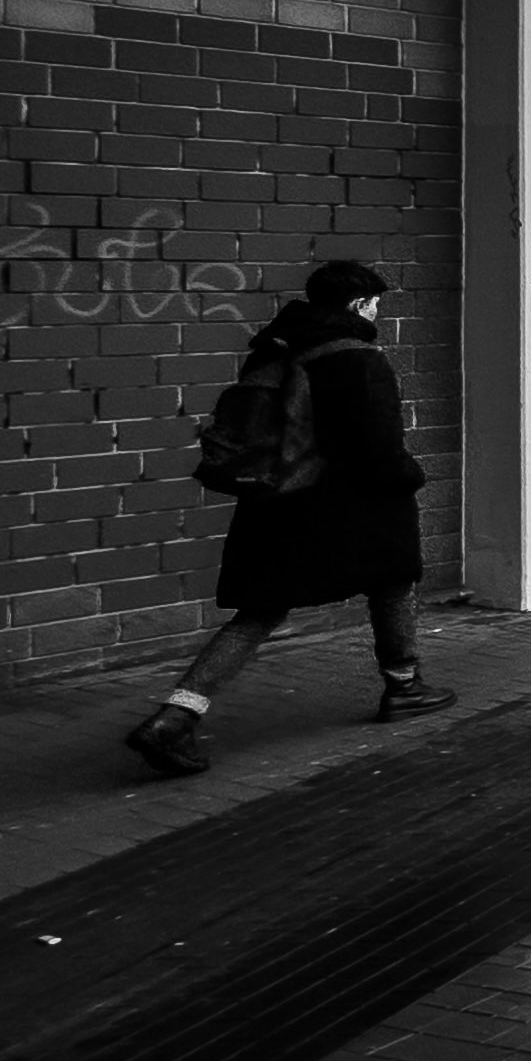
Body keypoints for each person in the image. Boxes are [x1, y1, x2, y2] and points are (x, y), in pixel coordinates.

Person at [125, 259, 454, 774]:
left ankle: (174, 718)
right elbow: (380, 449)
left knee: (258, 612)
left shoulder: (276, 348)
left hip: (276, 499)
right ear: (358, 305)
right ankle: (404, 687)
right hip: (353, 503)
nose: (376, 313)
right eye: (375, 305)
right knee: (394, 580)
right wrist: (409, 476)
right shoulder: (357, 358)